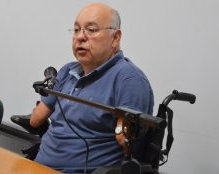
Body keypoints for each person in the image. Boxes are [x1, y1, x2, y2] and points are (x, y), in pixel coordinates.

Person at [30, 3, 154, 173]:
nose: (80, 37)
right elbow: (35, 120)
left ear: (115, 38)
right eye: (76, 30)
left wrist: (125, 127)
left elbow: (126, 140)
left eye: (92, 30)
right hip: (36, 166)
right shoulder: (67, 70)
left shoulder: (129, 79)